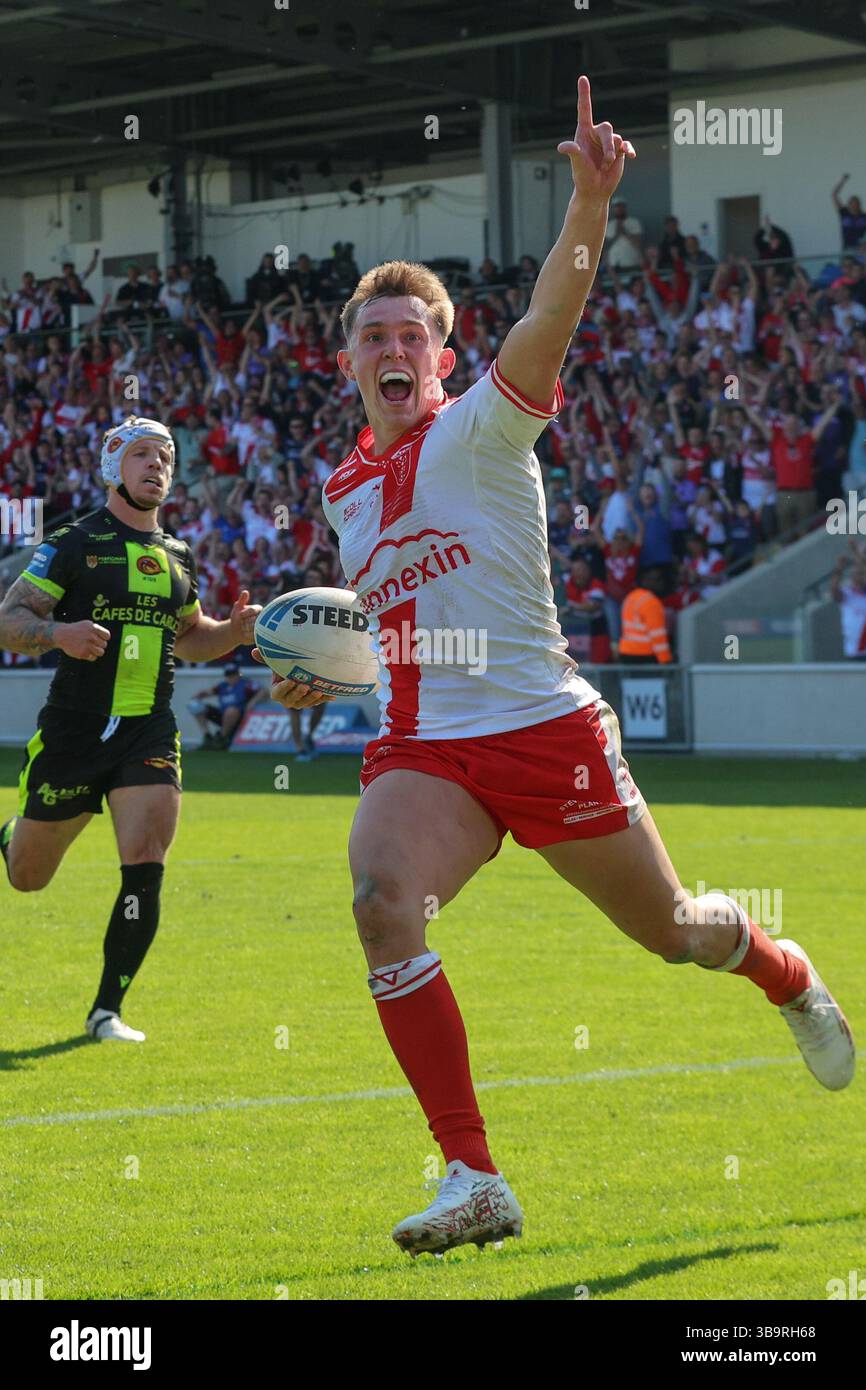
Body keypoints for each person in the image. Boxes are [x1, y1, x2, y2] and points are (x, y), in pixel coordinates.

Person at [261, 76, 854, 1259]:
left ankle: (782, 972)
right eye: (371, 337)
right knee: (382, 903)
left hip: (544, 731)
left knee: (676, 931)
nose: (392, 349)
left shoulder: (482, 425)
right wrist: (313, 664)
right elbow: (393, 619)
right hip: (426, 749)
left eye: (411, 336)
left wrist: (585, 206)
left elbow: (550, 317)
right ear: (346, 365)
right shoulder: (339, 491)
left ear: (440, 356)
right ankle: (472, 1173)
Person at [0, 417, 261, 1043]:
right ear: (113, 466)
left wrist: (232, 633)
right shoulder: (72, 541)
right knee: (27, 877)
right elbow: (10, 618)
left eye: (166, 457)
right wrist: (56, 634)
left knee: (145, 861)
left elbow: (190, 638)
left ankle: (105, 1012)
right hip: (74, 731)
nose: (156, 466)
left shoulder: (178, 554)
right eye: (141, 454)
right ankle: (11, 835)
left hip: (150, 730)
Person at [189, 661, 267, 747]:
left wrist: (252, 702)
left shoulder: (246, 684)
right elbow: (209, 692)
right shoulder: (223, 686)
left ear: (238, 674)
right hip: (223, 715)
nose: (231, 678)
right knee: (196, 706)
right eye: (228, 675)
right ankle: (207, 736)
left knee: (231, 710)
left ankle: (222, 738)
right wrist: (199, 696)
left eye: (233, 675)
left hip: (239, 716)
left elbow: (263, 691)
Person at [618, 567, 674, 664]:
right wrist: (665, 660)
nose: (661, 584)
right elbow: (657, 635)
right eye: (658, 580)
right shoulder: (651, 602)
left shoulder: (631, 597)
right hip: (645, 655)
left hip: (626, 653)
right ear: (649, 581)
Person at [830, 542, 866, 659]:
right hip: (854, 652)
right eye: (855, 575)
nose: (858, 577)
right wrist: (839, 568)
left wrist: (857, 553)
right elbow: (834, 591)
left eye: (861, 575)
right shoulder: (848, 594)